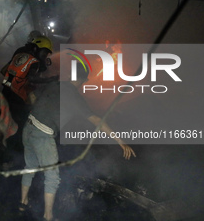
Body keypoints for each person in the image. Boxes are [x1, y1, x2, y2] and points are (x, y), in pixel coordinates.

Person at [20, 64, 136, 221]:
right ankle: (48, 216)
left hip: (28, 128)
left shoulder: (55, 84)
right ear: (84, 80)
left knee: (30, 167)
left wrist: (40, 111)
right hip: (42, 135)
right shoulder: (75, 97)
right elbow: (96, 120)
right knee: (53, 178)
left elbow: (32, 95)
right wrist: (120, 141)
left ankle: (23, 202)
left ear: (70, 76)